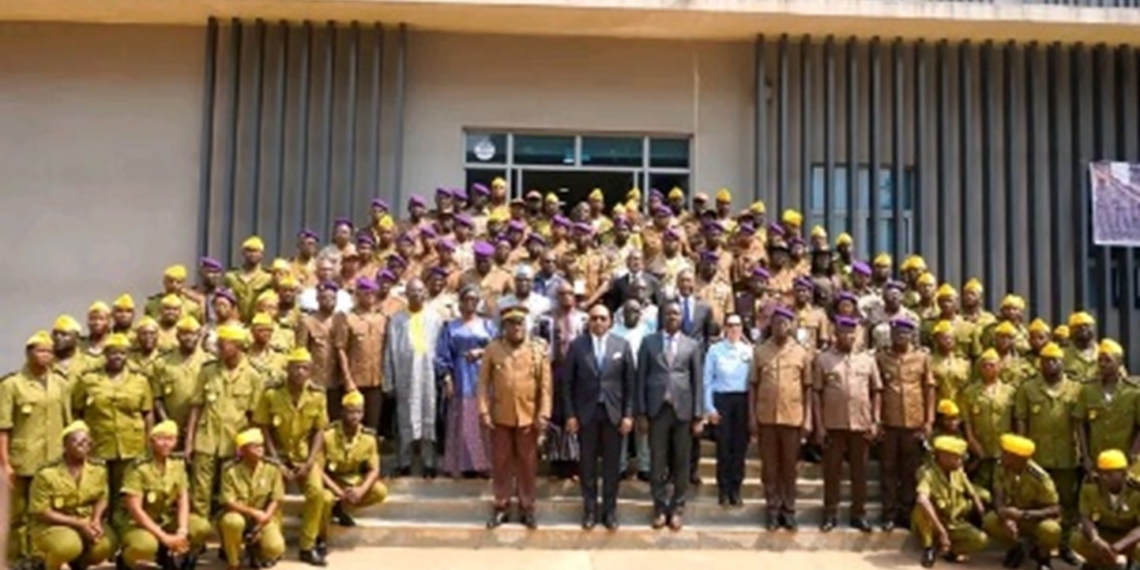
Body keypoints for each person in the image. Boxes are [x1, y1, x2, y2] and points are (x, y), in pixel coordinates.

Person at [478, 306, 552, 530]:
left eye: (520, 323)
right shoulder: (493, 349)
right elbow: (482, 384)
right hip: (501, 415)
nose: (517, 328)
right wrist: (483, 410)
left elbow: (546, 387)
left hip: (528, 416)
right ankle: (501, 506)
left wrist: (544, 414)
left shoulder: (537, 351)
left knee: (527, 465)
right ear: (504, 327)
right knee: (501, 463)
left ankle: (527, 507)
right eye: (512, 324)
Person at [0, 331, 71, 565]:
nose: (45, 355)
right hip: (24, 459)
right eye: (40, 350)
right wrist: (5, 463)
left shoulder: (60, 383)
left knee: (50, 511)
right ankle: (17, 559)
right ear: (28, 353)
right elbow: (4, 427)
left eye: (49, 351)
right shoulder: (12, 384)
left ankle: (43, 556)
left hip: (54, 459)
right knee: (19, 515)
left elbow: (69, 423)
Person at [253, 348, 328, 565]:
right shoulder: (271, 394)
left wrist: (310, 462)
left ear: (310, 371)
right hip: (277, 454)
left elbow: (319, 432)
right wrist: (275, 459)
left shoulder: (317, 396)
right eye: (296, 367)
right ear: (287, 369)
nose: (300, 372)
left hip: (305, 456)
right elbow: (264, 427)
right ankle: (272, 546)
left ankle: (308, 545)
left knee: (317, 493)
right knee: (274, 496)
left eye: (305, 368)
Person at [564, 304, 635, 531]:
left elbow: (630, 385)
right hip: (586, 414)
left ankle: (610, 512)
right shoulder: (577, 346)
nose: (598, 322)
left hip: (613, 415)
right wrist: (570, 414)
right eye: (594, 318)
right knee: (587, 466)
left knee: (612, 467)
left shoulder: (621, 345)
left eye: (603, 318)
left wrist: (628, 415)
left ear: (610, 321)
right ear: (589, 321)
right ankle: (590, 510)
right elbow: (567, 385)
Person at [635, 301, 704, 531]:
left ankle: (677, 507)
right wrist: (641, 412)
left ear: (682, 317)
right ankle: (660, 507)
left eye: (676, 313)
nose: (672, 316)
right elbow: (640, 378)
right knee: (657, 461)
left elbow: (697, 381)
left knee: (682, 462)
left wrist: (697, 415)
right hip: (657, 410)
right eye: (668, 313)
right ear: (662, 316)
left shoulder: (692, 345)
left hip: (683, 411)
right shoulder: (649, 342)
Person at [185, 324, 263, 517]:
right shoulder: (208, 371)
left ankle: (227, 537)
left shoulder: (253, 375)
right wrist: (189, 443)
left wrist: (247, 446)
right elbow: (196, 407)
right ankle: (199, 538)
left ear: (237, 346)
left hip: (234, 442)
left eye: (223, 344)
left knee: (231, 493)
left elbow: (254, 417)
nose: (219, 348)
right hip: (206, 439)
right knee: (200, 492)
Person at [812, 315, 881, 533]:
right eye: (844, 332)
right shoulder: (823, 359)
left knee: (859, 473)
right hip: (834, 424)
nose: (848, 336)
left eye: (852, 333)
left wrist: (875, 420)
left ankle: (858, 514)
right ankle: (830, 513)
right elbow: (816, 393)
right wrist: (820, 426)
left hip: (861, 424)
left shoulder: (867, 360)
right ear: (835, 335)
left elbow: (876, 391)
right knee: (831, 472)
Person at [70, 332, 154, 511]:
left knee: (126, 489)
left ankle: (122, 526)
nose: (117, 356)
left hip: (131, 444)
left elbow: (147, 413)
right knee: (98, 488)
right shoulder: (88, 379)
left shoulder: (140, 380)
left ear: (128, 355)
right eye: (113, 352)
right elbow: (77, 410)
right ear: (105, 354)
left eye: (122, 353)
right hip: (98, 443)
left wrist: (148, 443)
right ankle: (100, 524)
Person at [1016, 341, 1081, 565]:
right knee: (1035, 502)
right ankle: (1037, 548)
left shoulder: (1075, 388)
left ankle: (1063, 546)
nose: (1051, 364)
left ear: (1062, 363)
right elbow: (1021, 421)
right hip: (1038, 456)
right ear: (1039, 363)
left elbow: (1080, 424)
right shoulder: (1028, 388)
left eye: (1055, 361)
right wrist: (1024, 454)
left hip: (1066, 456)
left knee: (1066, 503)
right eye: (1046, 361)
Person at [115, 421, 211, 570]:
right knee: (145, 546)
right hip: (138, 523)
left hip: (166, 519)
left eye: (170, 439)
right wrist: (163, 537)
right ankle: (127, 561)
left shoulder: (177, 464)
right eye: (161, 439)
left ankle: (172, 556)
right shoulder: (138, 467)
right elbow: (135, 509)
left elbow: (182, 498)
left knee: (201, 527)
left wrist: (182, 530)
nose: (166, 444)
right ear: (152, 441)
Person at [750, 306, 811, 530]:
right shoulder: (760, 351)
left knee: (789, 468)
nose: (781, 327)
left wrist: (808, 419)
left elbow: (808, 388)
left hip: (792, 418)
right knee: (770, 468)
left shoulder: (801, 353)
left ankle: (789, 510)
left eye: (785, 323)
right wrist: (752, 417)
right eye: (776, 323)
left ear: (791, 326)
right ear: (771, 326)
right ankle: (772, 509)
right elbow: (753, 387)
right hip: (766, 418)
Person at [29, 421, 117, 570]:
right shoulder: (47, 473)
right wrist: (79, 524)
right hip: (54, 525)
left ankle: (84, 563)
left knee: (106, 544)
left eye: (86, 441)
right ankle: (52, 564)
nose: (82, 445)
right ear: (65, 445)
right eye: (76, 441)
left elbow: (102, 497)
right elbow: (42, 511)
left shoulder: (98, 469)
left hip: (87, 520)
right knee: (68, 546)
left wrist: (95, 520)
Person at [875, 317, 934, 531]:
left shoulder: (922, 358)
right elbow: (877, 391)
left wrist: (929, 421)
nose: (901, 337)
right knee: (888, 470)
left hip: (914, 423)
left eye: (905, 333)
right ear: (891, 335)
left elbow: (929, 389)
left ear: (912, 336)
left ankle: (906, 513)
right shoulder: (881, 358)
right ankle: (888, 514)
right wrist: (877, 421)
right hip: (889, 423)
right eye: (897, 333)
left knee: (910, 472)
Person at [383, 278, 443, 478]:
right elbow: (389, 352)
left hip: (428, 376)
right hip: (405, 376)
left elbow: (441, 351)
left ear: (425, 293)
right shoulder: (397, 320)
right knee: (405, 418)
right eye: (412, 291)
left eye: (419, 291)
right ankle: (404, 461)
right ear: (406, 294)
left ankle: (428, 462)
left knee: (428, 417)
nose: (416, 294)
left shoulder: (435, 319)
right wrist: (389, 380)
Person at [434, 286, 497, 478]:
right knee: (463, 418)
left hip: (484, 375)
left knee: (482, 418)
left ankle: (483, 463)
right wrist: (446, 377)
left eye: (473, 299)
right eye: (466, 299)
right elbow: (442, 355)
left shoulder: (487, 326)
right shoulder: (450, 326)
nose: (470, 303)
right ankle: (462, 464)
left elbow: (498, 348)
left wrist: (481, 352)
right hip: (460, 375)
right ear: (460, 303)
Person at [315, 391, 387, 551]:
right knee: (326, 499)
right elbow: (318, 469)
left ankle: (341, 508)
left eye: (359, 412)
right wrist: (336, 491)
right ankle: (320, 538)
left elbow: (374, 469)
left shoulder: (368, 438)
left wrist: (361, 490)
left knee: (379, 491)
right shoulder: (328, 435)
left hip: (353, 481)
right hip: (330, 483)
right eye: (350, 411)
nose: (355, 416)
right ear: (342, 412)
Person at [981, 434, 1062, 570]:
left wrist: (1024, 514)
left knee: (1051, 530)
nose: (1001, 456)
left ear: (1017, 458)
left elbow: (1055, 509)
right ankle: (1017, 547)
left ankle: (1043, 557)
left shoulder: (1040, 478)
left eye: (1005, 453)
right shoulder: (1001, 467)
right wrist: (1005, 516)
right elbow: (998, 496)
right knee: (990, 521)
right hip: (1013, 518)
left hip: (1035, 519)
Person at [913, 436, 988, 568]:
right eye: (956, 457)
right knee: (922, 508)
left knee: (981, 540)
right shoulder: (927, 473)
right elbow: (922, 499)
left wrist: (982, 514)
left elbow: (971, 491)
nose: (961, 461)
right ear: (943, 457)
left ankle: (949, 550)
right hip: (932, 524)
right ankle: (929, 547)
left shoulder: (958, 471)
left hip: (952, 520)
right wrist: (941, 531)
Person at [217, 429, 286, 570]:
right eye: (254, 446)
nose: (260, 449)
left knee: (275, 548)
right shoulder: (230, 470)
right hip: (239, 515)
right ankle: (233, 562)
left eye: (261, 445)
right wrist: (254, 513)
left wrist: (265, 517)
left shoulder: (272, 468)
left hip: (263, 517)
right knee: (232, 522)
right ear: (242, 450)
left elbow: (276, 498)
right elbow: (228, 502)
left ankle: (256, 550)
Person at [702, 313, 752, 508]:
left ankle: (736, 489)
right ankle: (723, 489)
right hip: (721, 400)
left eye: (737, 325)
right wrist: (709, 408)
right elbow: (707, 381)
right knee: (723, 448)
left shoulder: (749, 351)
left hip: (742, 401)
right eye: (730, 325)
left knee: (739, 449)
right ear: (724, 328)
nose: (734, 329)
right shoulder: (715, 351)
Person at [1075, 339, 1139, 468]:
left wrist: (1133, 454)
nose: (1102, 364)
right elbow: (1080, 424)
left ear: (1119, 363)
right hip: (1097, 460)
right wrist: (1085, 456)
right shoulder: (1088, 390)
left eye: (1108, 360)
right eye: (1100, 360)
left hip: (1124, 460)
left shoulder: (1133, 392)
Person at [331, 277, 387, 425]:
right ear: (357, 294)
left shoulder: (382, 319)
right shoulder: (348, 318)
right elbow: (340, 349)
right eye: (366, 293)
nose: (370, 296)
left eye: (373, 293)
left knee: (372, 424)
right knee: (351, 423)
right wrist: (347, 379)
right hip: (355, 381)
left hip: (376, 380)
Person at [961, 348, 1016, 494]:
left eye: (992, 365)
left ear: (999, 367)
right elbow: (967, 422)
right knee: (981, 488)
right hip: (981, 448)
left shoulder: (1010, 391)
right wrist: (973, 442)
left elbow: (1016, 421)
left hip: (1003, 447)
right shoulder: (970, 392)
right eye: (984, 365)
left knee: (1004, 486)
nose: (988, 368)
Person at [151, 316, 208, 435]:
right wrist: (166, 422)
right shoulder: (162, 363)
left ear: (199, 336)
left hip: (202, 427)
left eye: (192, 334)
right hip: (170, 427)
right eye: (184, 334)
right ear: (177, 336)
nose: (188, 338)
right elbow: (157, 398)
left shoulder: (209, 362)